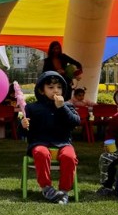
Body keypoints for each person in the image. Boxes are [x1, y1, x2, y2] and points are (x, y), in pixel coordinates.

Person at [20, 71, 80, 205]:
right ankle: (47, 188)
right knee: (41, 153)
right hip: (40, 142)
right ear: (42, 90)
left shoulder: (68, 106)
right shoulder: (32, 108)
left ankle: (64, 191)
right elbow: (24, 133)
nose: (56, 91)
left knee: (69, 157)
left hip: (63, 142)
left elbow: (75, 122)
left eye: (59, 87)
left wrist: (62, 107)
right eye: (51, 88)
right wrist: (23, 125)